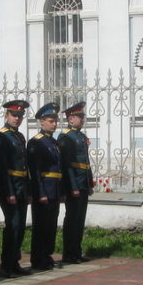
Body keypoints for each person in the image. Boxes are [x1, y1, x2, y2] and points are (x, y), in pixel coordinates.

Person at [0, 99, 31, 278]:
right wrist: (8, 191)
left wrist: (28, 190)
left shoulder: (19, 136)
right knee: (13, 225)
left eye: (20, 116)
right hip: (9, 187)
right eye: (14, 115)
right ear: (6, 115)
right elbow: (1, 167)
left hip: (21, 186)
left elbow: (25, 166)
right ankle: (6, 265)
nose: (17, 118)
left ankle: (14, 262)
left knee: (20, 226)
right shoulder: (1, 136)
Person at [26, 102, 64, 271]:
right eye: (50, 121)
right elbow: (35, 171)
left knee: (51, 225)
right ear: (42, 122)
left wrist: (61, 191)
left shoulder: (54, 143)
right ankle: (37, 258)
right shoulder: (36, 142)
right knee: (41, 225)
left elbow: (59, 169)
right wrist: (40, 192)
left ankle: (47, 256)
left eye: (55, 121)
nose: (54, 124)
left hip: (54, 189)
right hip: (43, 190)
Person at [58, 101, 94, 265]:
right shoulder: (66, 137)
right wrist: (72, 187)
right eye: (79, 116)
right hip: (74, 184)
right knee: (72, 219)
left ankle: (77, 252)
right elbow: (67, 165)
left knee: (80, 219)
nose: (82, 119)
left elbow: (86, 162)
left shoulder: (81, 136)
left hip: (83, 183)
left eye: (82, 116)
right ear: (70, 119)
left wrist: (90, 183)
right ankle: (68, 253)